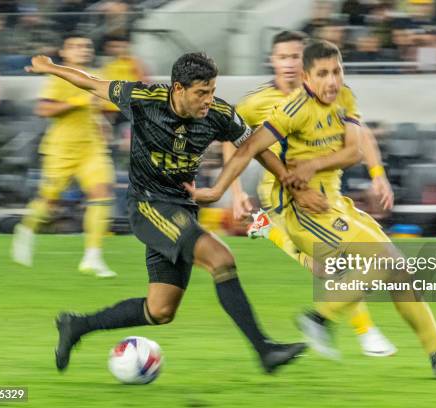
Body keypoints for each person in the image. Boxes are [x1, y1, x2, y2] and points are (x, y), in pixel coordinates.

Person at [186, 40, 436, 378]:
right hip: (303, 211)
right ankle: (319, 318)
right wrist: (220, 190)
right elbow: (248, 146)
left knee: (399, 272)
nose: (332, 81)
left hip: (335, 203)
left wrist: (329, 168)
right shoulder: (290, 110)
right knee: (382, 260)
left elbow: (354, 151)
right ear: (306, 77)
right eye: (323, 74)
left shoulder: (345, 96)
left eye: (337, 71)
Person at [23, 51, 312, 374]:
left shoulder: (218, 114)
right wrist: (50, 68)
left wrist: (290, 181)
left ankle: (76, 326)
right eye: (201, 93)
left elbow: (254, 146)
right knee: (221, 258)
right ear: (178, 89)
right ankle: (265, 351)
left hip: (182, 211)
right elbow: (91, 83)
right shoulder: (144, 99)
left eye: (212, 91)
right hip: (148, 205)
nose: (208, 100)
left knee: (160, 310)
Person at [227, 30, 396, 359]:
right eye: (282, 57)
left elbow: (361, 137)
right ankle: (366, 332)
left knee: (342, 263)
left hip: (326, 190)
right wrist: (235, 192)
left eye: (295, 56)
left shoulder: (332, 95)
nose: (289, 64)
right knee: (332, 265)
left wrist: (378, 174)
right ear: (272, 61)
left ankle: (265, 229)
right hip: (283, 194)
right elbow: (231, 138)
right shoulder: (255, 103)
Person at [11, 32, 117, 278]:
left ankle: (93, 256)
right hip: (61, 150)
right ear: (65, 53)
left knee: (101, 193)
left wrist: (102, 121)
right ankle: (26, 230)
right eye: (76, 46)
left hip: (91, 148)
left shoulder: (94, 76)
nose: (83, 49)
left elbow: (99, 107)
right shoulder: (58, 77)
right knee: (48, 203)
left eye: (87, 45)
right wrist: (77, 102)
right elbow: (44, 109)